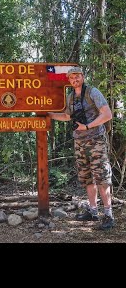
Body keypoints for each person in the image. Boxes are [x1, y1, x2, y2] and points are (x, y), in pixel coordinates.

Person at [48, 67, 114, 230]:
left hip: (95, 140)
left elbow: (107, 114)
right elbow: (66, 116)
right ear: (69, 80)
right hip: (79, 143)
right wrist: (49, 114)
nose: (74, 79)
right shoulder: (71, 97)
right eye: (71, 77)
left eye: (77, 76)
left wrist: (87, 126)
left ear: (82, 77)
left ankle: (108, 215)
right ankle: (93, 211)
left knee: (102, 178)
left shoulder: (92, 92)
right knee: (86, 178)